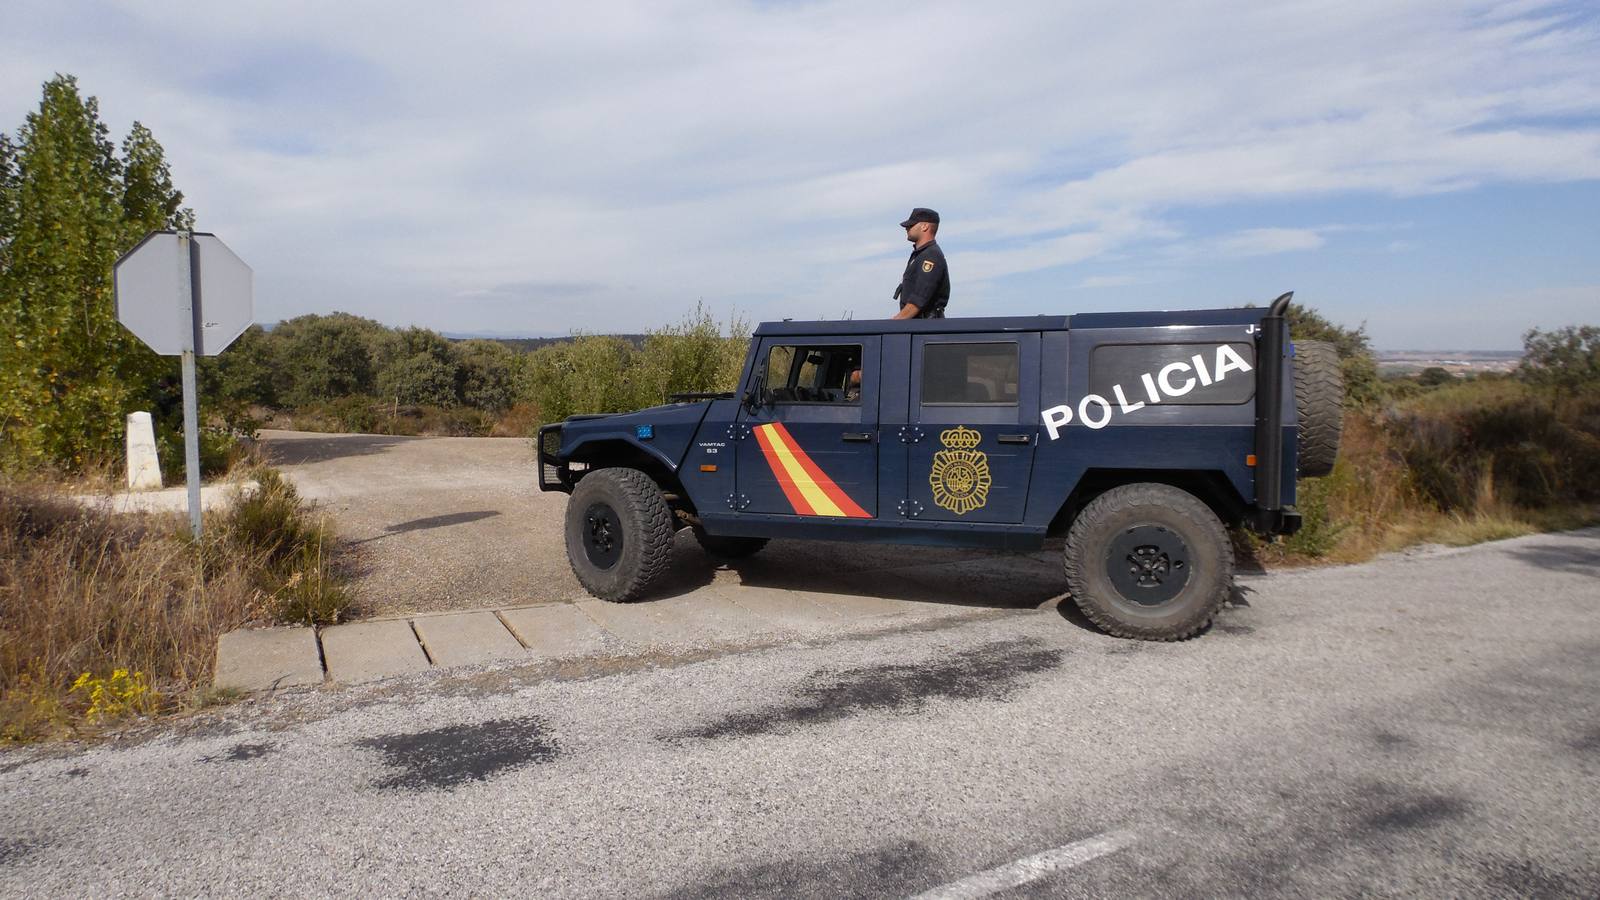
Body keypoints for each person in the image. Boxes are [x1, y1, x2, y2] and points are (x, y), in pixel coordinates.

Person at [892, 208, 950, 319]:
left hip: (926, 328)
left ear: (925, 227)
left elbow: (917, 301)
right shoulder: (921, 255)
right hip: (919, 327)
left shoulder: (931, 256)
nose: (907, 228)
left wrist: (892, 325)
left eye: (911, 225)